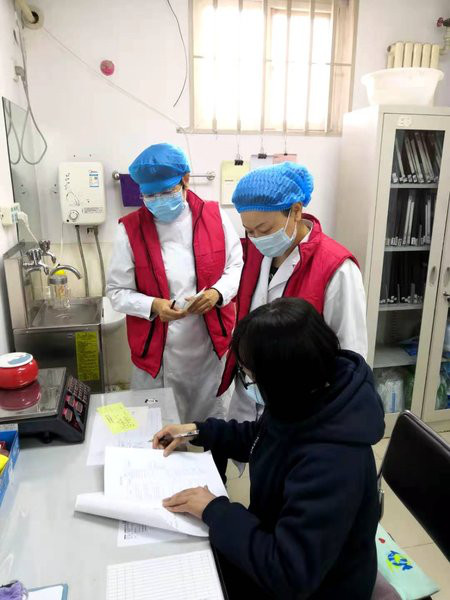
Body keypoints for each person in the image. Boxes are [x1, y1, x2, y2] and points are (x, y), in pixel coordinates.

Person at [153, 298, 385, 599]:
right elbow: (261, 437)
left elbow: (289, 574)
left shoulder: (333, 460)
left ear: (281, 379)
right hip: (277, 544)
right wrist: (198, 431)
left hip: (317, 587)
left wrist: (214, 509)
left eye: (249, 376)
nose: (248, 383)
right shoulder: (307, 394)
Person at [218, 161, 368, 424]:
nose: (257, 238)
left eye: (264, 229)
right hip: (250, 394)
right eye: (249, 231)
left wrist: (333, 420)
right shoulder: (255, 253)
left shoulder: (336, 268)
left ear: (296, 211)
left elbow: (351, 352)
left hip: (303, 405)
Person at [106, 143, 243, 422]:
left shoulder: (215, 216)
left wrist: (217, 293)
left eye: (166, 192)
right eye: (150, 195)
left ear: (186, 180)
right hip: (157, 351)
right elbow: (116, 292)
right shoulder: (130, 230)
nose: (158, 200)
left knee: (211, 424)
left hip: (209, 346)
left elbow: (235, 265)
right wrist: (153, 305)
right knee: (158, 426)